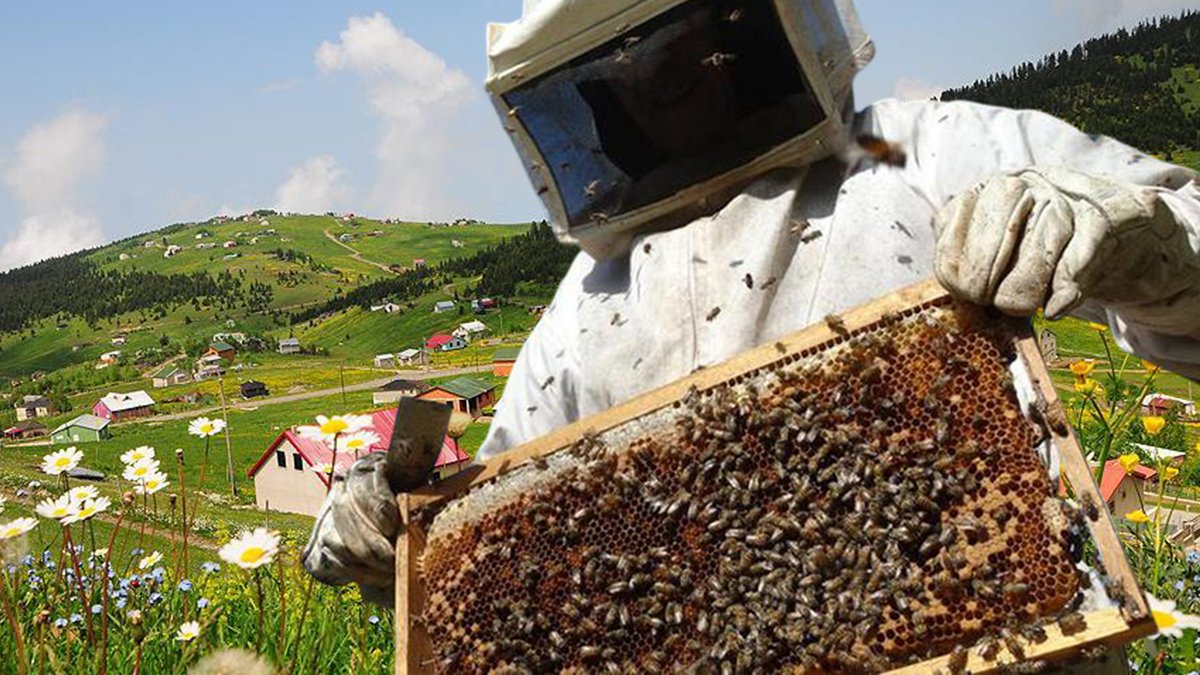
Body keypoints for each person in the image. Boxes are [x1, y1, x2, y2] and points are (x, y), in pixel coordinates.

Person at [304, 0, 1200, 628]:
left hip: (987, 627)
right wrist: (394, 540)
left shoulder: (924, 150)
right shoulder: (589, 302)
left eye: (682, 56)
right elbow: (496, 537)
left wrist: (1141, 235)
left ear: (741, 35)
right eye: (627, 83)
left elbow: (1184, 235)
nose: (664, 93)